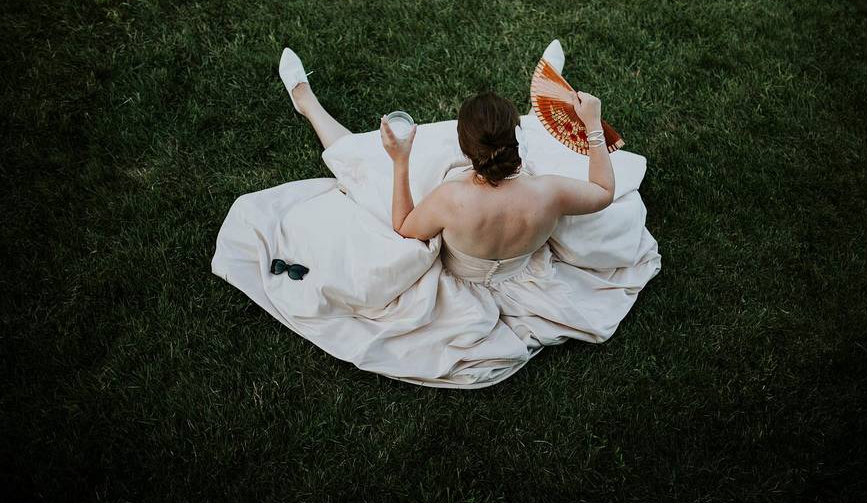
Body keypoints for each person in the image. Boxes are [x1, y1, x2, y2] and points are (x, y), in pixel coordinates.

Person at [211, 41, 661, 389]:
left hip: (461, 272)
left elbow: (404, 229)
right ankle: (545, 102)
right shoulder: (549, 194)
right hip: (527, 271)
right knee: (559, 158)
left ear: (465, 147)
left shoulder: (452, 198)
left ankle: (308, 103)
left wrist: (401, 160)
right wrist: (592, 127)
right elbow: (603, 191)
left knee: (370, 170)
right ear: (513, 141)